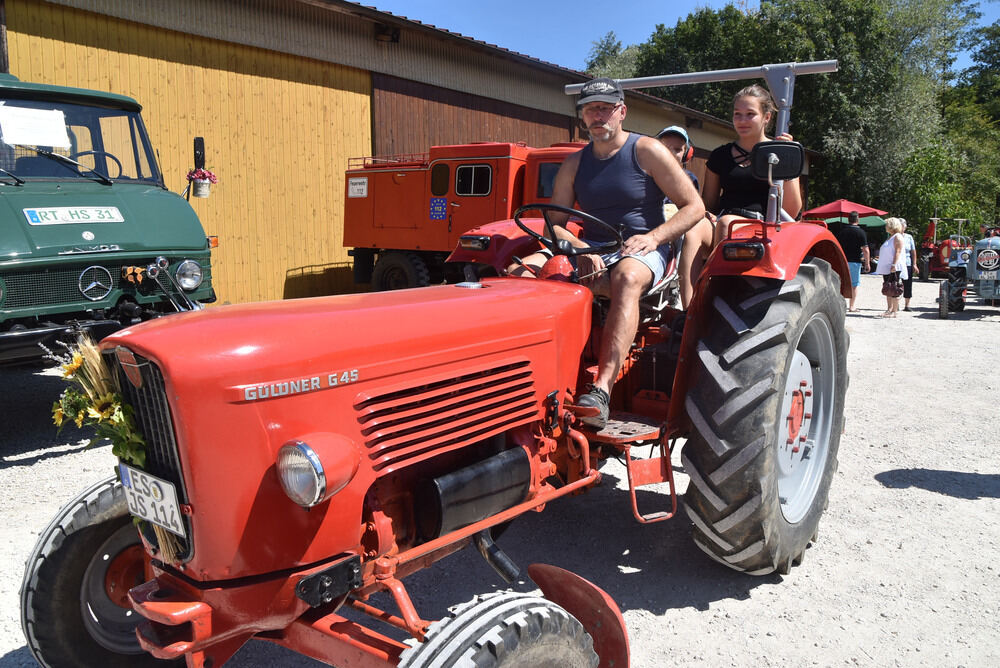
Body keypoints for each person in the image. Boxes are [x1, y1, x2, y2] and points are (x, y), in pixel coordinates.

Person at [510, 78, 705, 428]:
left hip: (643, 249)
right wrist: (578, 247)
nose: (597, 115)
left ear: (621, 112)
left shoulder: (646, 150)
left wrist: (654, 237)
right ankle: (529, 382)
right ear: (583, 117)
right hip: (593, 248)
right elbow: (553, 223)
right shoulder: (574, 164)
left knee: (626, 277)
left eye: (604, 108)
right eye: (590, 109)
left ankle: (601, 389)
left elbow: (694, 207)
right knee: (520, 272)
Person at [702, 84, 803, 246]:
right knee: (692, 229)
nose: (742, 121)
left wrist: (787, 162)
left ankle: (720, 272)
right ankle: (686, 273)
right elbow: (709, 203)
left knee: (727, 224)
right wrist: (705, 215)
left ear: (767, 117)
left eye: (750, 114)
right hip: (722, 221)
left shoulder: (779, 153)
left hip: (763, 226)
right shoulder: (719, 155)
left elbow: (791, 210)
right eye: (737, 114)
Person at [655, 125, 713, 309]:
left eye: (678, 150)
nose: (672, 153)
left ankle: (677, 289)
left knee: (683, 232)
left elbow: (691, 207)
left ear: (687, 154)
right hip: (653, 221)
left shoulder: (688, 178)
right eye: (666, 148)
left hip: (673, 223)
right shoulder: (647, 175)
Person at [832, 211, 870, 312]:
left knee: (840, 282)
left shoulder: (841, 231)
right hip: (855, 261)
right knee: (854, 284)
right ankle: (852, 306)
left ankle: (839, 305)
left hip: (842, 260)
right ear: (857, 220)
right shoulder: (861, 232)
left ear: (848, 220)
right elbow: (865, 249)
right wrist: (867, 263)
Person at [874, 217, 908, 317]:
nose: (885, 227)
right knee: (888, 288)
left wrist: (894, 264)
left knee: (894, 288)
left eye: (887, 225)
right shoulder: (891, 236)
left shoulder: (898, 237)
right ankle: (889, 309)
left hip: (894, 267)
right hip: (887, 267)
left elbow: (898, 251)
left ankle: (894, 311)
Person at [900, 218, 917, 310]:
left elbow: (913, 251)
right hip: (897, 263)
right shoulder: (893, 236)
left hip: (907, 263)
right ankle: (895, 304)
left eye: (903, 226)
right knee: (896, 284)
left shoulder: (909, 237)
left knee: (908, 284)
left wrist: (914, 264)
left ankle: (907, 305)